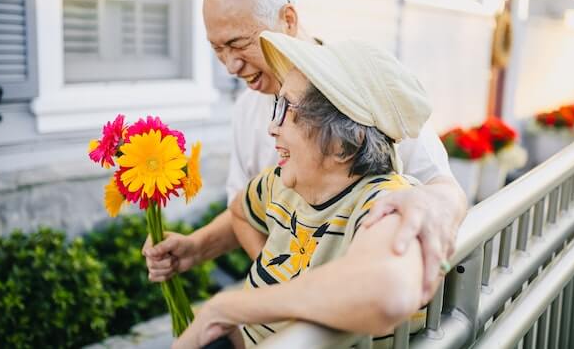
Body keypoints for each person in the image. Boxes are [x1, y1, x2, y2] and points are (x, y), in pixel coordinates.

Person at [143, 0, 466, 307]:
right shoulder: (246, 110)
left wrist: (434, 203)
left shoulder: (360, 90)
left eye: (238, 44)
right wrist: (198, 248)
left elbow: (443, 188)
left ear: (289, 20)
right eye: (217, 49)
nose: (230, 66)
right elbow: (248, 207)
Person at [174, 30, 434, 348]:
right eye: (275, 107)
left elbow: (388, 293)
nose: (272, 127)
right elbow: (240, 213)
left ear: (343, 145)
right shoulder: (278, 184)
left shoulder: (384, 201)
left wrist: (225, 307)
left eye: (287, 110)